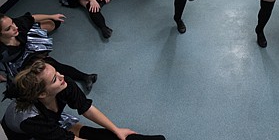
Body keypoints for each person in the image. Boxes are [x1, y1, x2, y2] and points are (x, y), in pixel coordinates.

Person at [1, 59, 165, 140]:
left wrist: (117, 130)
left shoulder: (64, 84)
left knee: (96, 133)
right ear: (42, 94)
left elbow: (86, 108)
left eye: (57, 72)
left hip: (50, 120)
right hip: (27, 135)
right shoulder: (30, 120)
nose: (62, 76)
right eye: (54, 79)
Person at [0, 12, 97, 93]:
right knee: (42, 76)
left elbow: (32, 18)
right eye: (8, 28)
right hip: (17, 63)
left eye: (12, 22)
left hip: (28, 48)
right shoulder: (2, 50)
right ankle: (82, 78)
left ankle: (86, 77)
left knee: (54, 24)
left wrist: (51, 16)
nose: (14, 27)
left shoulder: (18, 26)